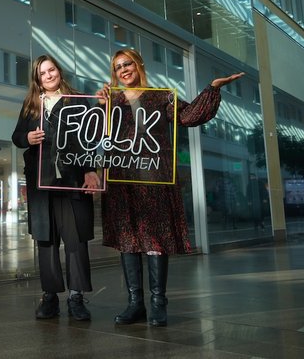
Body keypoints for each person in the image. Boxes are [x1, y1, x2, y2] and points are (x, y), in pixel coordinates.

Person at [97, 48, 243, 327]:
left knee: (155, 240)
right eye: (118, 67)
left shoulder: (162, 96)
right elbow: (97, 136)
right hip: (122, 179)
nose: (124, 70)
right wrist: (101, 106)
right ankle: (134, 303)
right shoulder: (110, 101)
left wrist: (211, 89)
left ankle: (157, 302)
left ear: (139, 64)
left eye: (127, 64)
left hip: (154, 180)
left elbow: (189, 117)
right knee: (128, 241)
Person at [12, 54, 101, 321]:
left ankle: (76, 297)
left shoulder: (79, 102)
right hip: (42, 184)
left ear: (59, 71)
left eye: (51, 70)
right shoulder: (31, 106)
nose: (48, 75)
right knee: (46, 240)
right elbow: (17, 137)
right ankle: (50, 297)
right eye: (43, 73)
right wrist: (27, 137)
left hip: (72, 181)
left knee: (76, 240)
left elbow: (90, 139)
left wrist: (90, 170)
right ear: (37, 79)